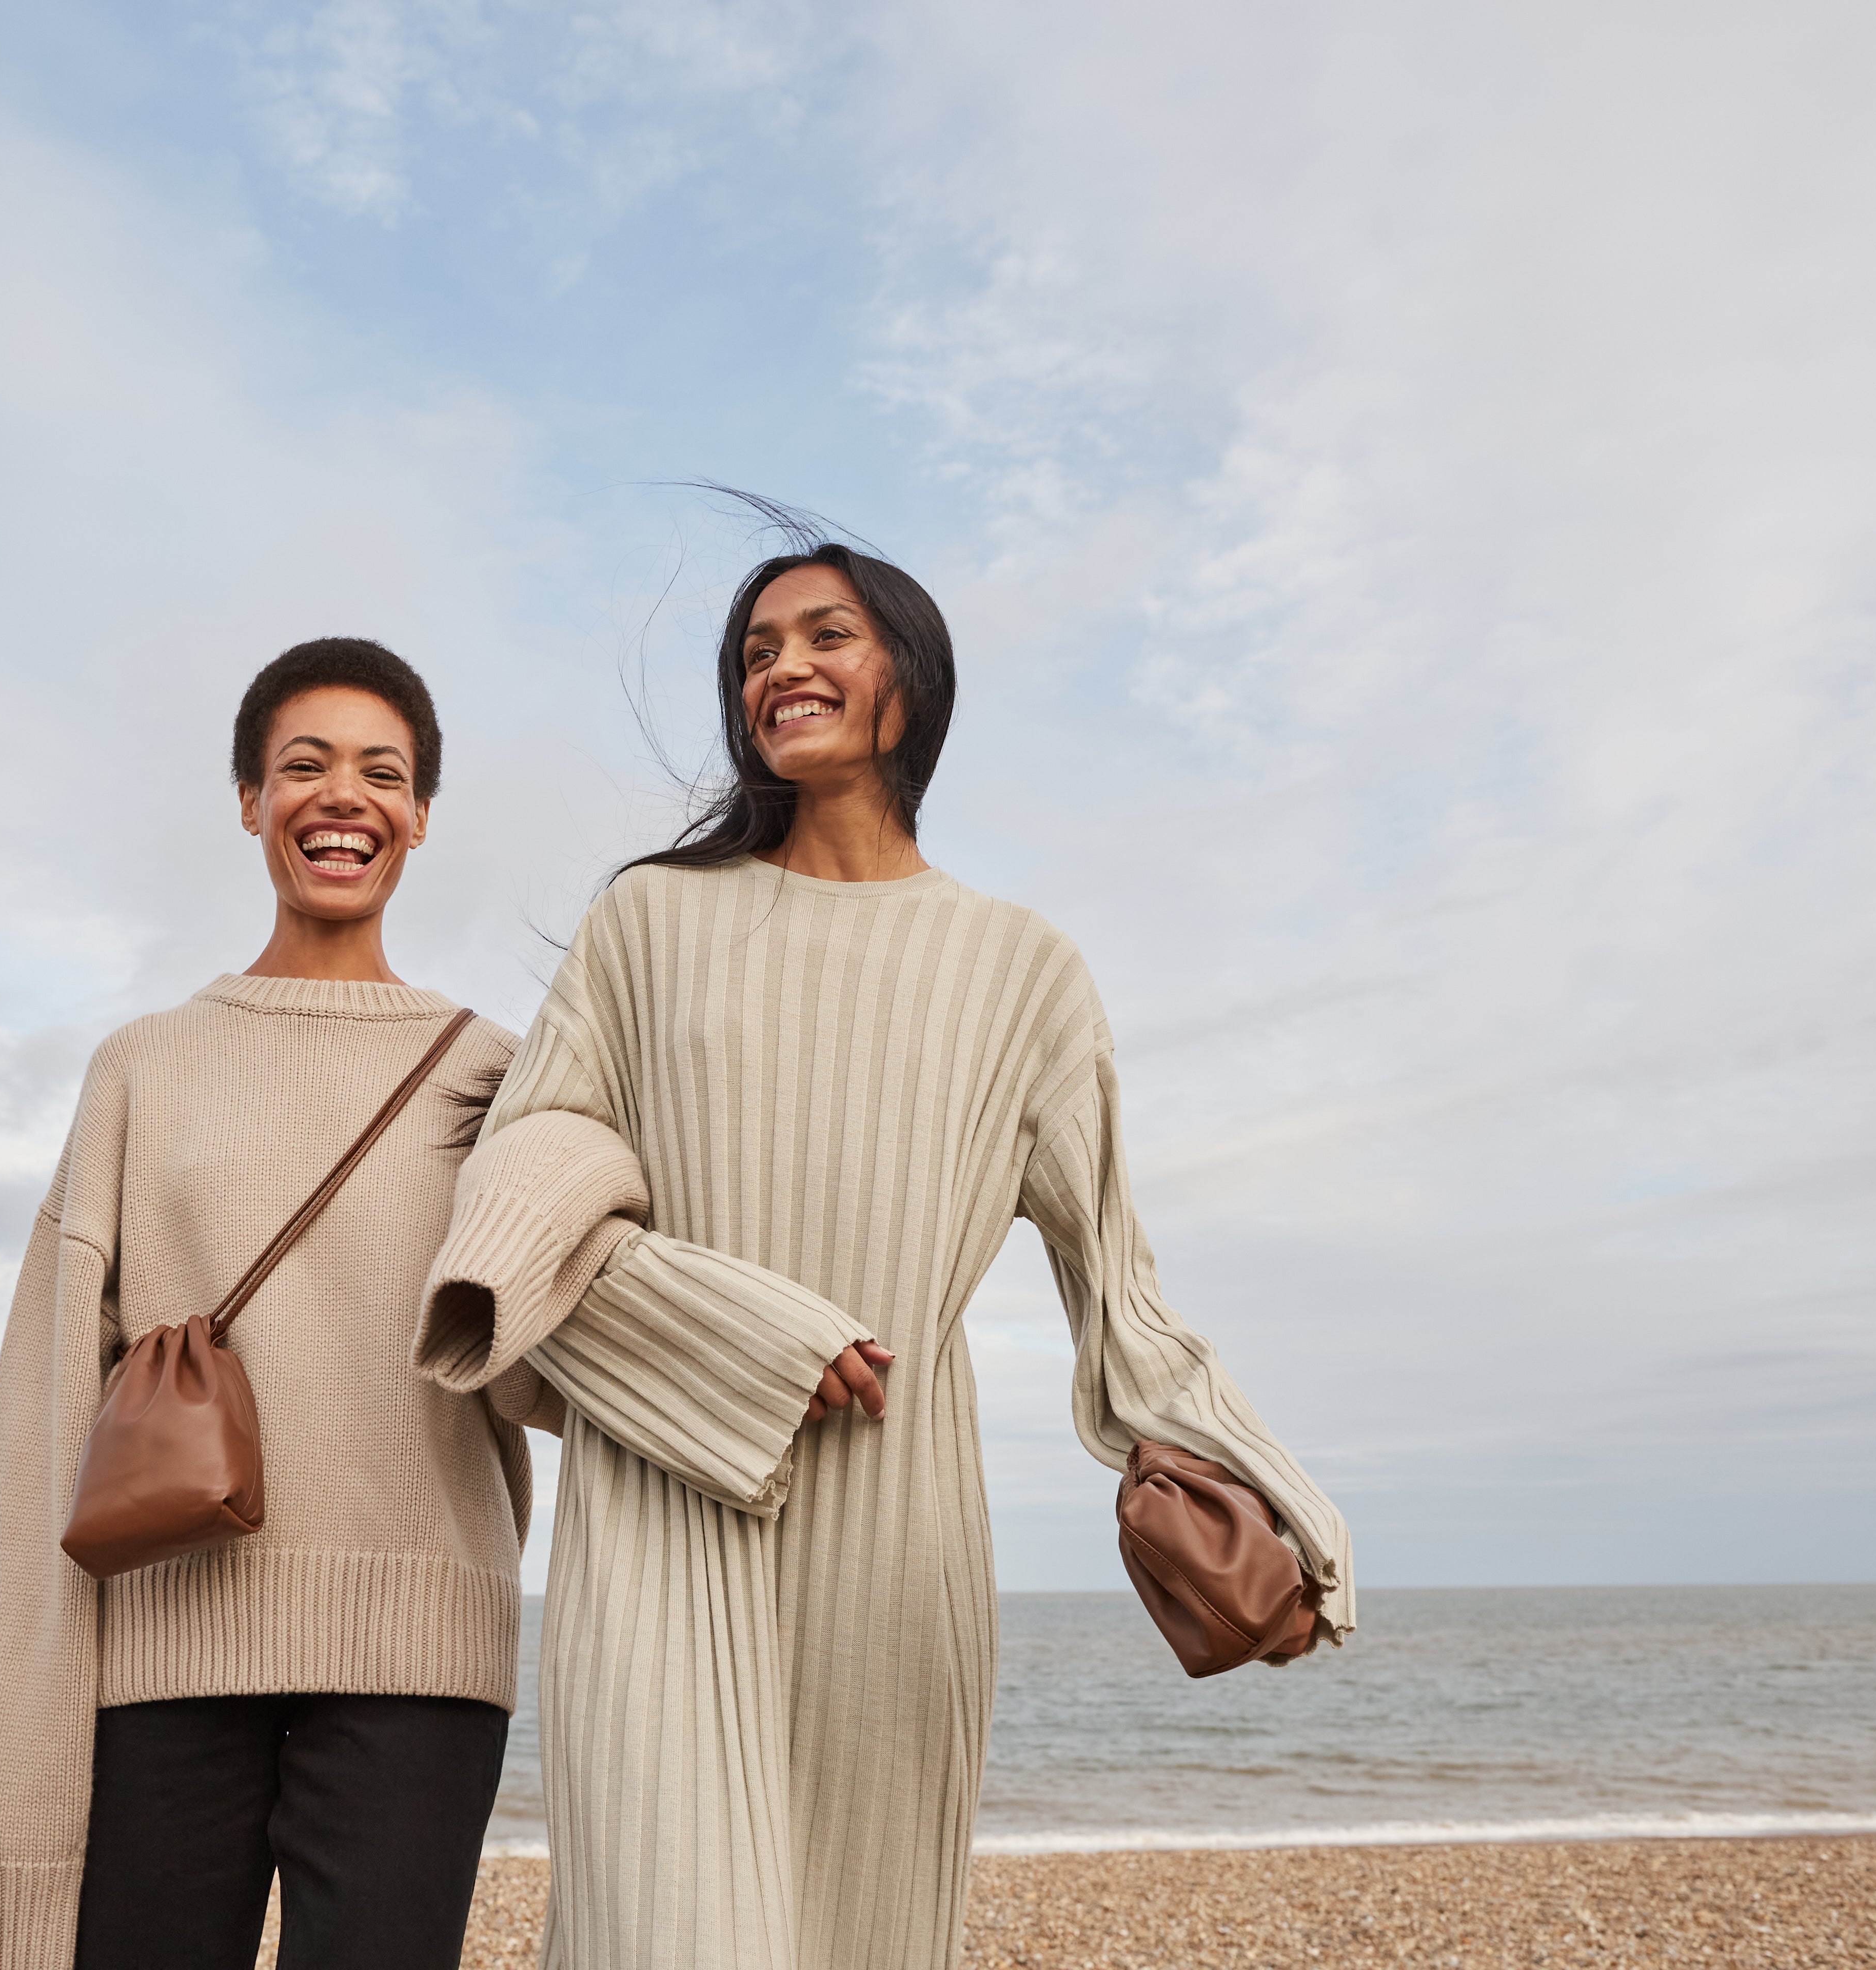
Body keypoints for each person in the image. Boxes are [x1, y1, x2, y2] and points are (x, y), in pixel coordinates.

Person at [413, 538, 1356, 1970]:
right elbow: (520, 1202)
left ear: (906, 686)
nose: (781, 667)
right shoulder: (649, 924)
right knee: (663, 1934)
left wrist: (1296, 1531)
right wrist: (748, 1338)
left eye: (823, 636)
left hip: (898, 1525)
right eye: (755, 652)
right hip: (663, 1508)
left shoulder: (1021, 967)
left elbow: (1121, 1294)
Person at [0, 638, 553, 1970]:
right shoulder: (144, 1068)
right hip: (165, 1651)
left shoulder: (496, 1075)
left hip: (424, 1658)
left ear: (423, 816)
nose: (346, 797)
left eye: (383, 773)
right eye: (305, 766)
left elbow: (555, 1352)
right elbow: (47, 1395)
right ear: (249, 799)